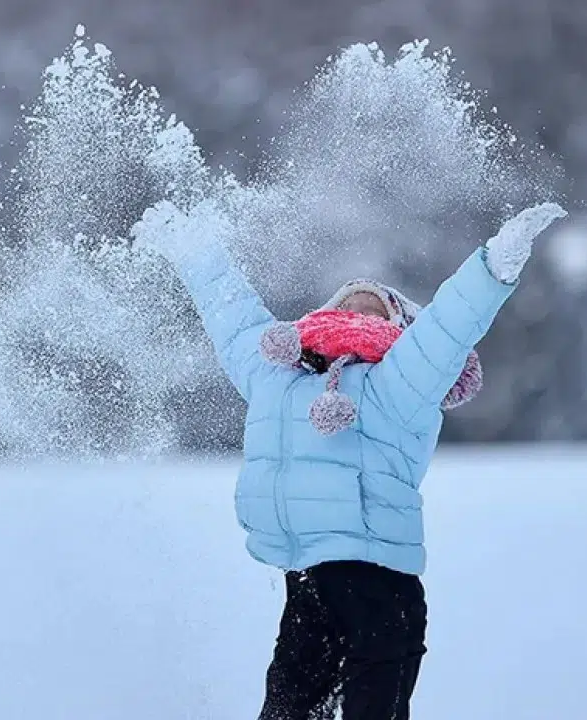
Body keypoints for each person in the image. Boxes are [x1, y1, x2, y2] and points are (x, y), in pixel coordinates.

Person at [131, 199, 565, 720]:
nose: (359, 314)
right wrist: (195, 252)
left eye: (375, 309)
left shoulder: (401, 380)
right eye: (348, 306)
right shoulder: (278, 376)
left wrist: (493, 266)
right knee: (287, 709)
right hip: (308, 581)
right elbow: (235, 318)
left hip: (381, 585)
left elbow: (447, 328)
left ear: (401, 327)